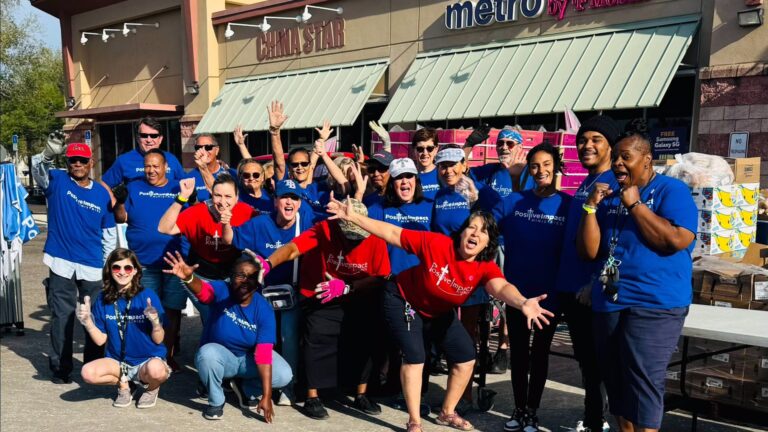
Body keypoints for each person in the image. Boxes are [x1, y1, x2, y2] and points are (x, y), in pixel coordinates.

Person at [326, 199, 553, 432]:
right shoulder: (436, 244)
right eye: (471, 227)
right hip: (403, 300)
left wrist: (523, 302)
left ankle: (447, 412)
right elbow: (393, 232)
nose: (475, 234)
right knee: (415, 357)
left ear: (488, 243)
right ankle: (414, 421)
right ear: (462, 231)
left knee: (466, 358)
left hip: (437, 311)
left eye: (483, 232)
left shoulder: (484, 266)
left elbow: (501, 287)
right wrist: (354, 218)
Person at [577, 121, 697, 432]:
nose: (617, 163)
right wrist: (590, 208)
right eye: (615, 156)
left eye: (625, 157)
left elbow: (674, 240)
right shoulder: (610, 196)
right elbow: (589, 252)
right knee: (616, 382)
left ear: (647, 159)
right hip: (611, 300)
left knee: (642, 382)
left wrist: (635, 204)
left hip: (654, 304)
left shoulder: (672, 191)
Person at [266, 198, 391, 420]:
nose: (353, 240)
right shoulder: (325, 229)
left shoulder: (375, 237)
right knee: (317, 335)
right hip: (322, 292)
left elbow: (380, 277)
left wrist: (347, 287)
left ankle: (361, 393)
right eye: (349, 234)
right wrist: (268, 264)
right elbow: (294, 248)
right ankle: (312, 396)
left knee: (365, 337)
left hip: (357, 293)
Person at [163, 251, 293, 421]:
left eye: (251, 276)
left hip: (248, 359)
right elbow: (204, 292)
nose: (245, 280)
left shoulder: (264, 309)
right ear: (231, 278)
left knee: (284, 374)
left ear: (257, 282)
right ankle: (216, 400)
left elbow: (263, 354)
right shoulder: (222, 290)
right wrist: (189, 278)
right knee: (207, 354)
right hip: (222, 357)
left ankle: (247, 389)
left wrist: (267, 396)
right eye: (240, 275)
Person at [497, 143, 572, 432]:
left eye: (546, 164)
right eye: (535, 165)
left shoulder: (567, 205)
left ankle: (532, 410)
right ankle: (518, 407)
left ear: (556, 167)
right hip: (517, 294)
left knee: (540, 353)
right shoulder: (513, 201)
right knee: (519, 352)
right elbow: (488, 227)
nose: (541, 170)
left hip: (548, 296)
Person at [222, 179, 316, 405]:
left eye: (294, 198)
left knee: (289, 337)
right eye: (285, 197)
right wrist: (225, 222)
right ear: (275, 201)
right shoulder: (260, 223)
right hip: (262, 294)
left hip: (291, 292)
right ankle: (253, 385)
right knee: (262, 340)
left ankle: (288, 386)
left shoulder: (307, 222)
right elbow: (231, 239)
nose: (289, 202)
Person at [555, 115, 621, 432]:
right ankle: (594, 418)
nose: (587, 145)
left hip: (590, 291)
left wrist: (596, 283)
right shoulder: (587, 182)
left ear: (610, 145)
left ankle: (597, 421)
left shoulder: (612, 184)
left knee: (598, 362)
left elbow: (616, 243)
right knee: (586, 361)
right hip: (571, 287)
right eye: (583, 139)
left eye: (595, 139)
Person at [31, 141, 117, 384]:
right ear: (66, 163)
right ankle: (61, 368)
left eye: (82, 160)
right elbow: (37, 167)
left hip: (92, 264)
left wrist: (108, 266)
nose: (77, 164)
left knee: (94, 316)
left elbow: (109, 232)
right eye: (72, 160)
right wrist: (47, 152)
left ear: (91, 163)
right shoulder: (57, 180)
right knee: (62, 315)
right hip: (60, 261)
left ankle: (92, 365)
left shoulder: (101, 193)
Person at [113, 149, 187, 371]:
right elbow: (121, 218)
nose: (151, 170)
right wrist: (119, 202)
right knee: (146, 310)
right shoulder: (134, 187)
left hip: (174, 261)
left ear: (166, 167)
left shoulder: (178, 188)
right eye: (147, 166)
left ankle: (167, 354)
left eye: (156, 166)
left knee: (172, 310)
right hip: (143, 262)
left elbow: (191, 219)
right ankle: (148, 355)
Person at [78, 248, 170, 408]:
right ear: (110, 270)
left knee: (157, 370)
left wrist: (155, 322)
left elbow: (159, 339)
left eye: (127, 268)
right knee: (87, 372)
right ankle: (125, 386)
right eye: (116, 267)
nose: (122, 272)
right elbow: (101, 341)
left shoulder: (147, 296)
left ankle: (152, 389)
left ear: (135, 271)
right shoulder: (102, 299)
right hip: (118, 362)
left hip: (146, 361)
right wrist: (88, 322)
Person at [157, 173, 257, 321]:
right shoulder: (197, 212)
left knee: (231, 318)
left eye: (228, 196)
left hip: (231, 273)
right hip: (202, 275)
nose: (223, 201)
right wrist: (182, 197)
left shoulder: (246, 212)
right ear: (211, 194)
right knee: (211, 318)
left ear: (237, 197)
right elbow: (164, 228)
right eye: (218, 195)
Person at [101, 117, 185, 188]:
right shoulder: (124, 160)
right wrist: (116, 203)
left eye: (154, 136)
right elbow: (104, 185)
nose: (149, 140)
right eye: (144, 135)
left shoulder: (171, 159)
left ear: (160, 139)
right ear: (138, 138)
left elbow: (185, 184)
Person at [187, 134, 237, 202]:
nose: (203, 151)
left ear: (217, 150)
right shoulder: (189, 178)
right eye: (198, 148)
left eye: (208, 147)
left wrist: (203, 167)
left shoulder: (231, 174)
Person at [409, 128, 440, 201]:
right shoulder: (408, 177)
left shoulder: (444, 174)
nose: (425, 153)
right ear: (414, 150)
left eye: (430, 148)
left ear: (436, 149)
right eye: (420, 149)